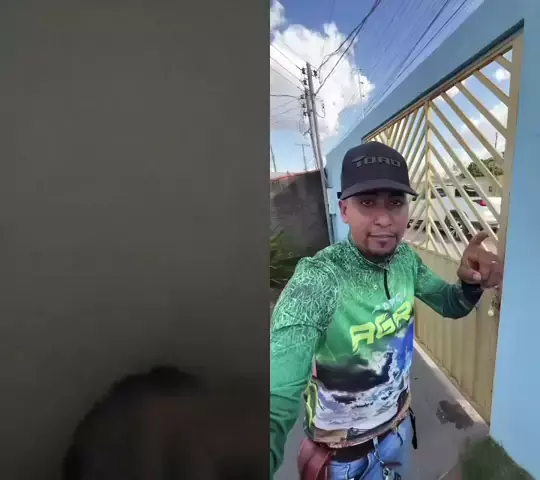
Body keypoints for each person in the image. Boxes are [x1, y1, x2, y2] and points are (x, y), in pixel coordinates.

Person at [270, 141, 503, 480]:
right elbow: (276, 394)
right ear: (344, 210)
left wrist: (470, 284)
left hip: (398, 433)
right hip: (341, 460)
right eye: (367, 202)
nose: (384, 219)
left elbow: (451, 305)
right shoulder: (319, 279)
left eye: (395, 203)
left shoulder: (406, 260)